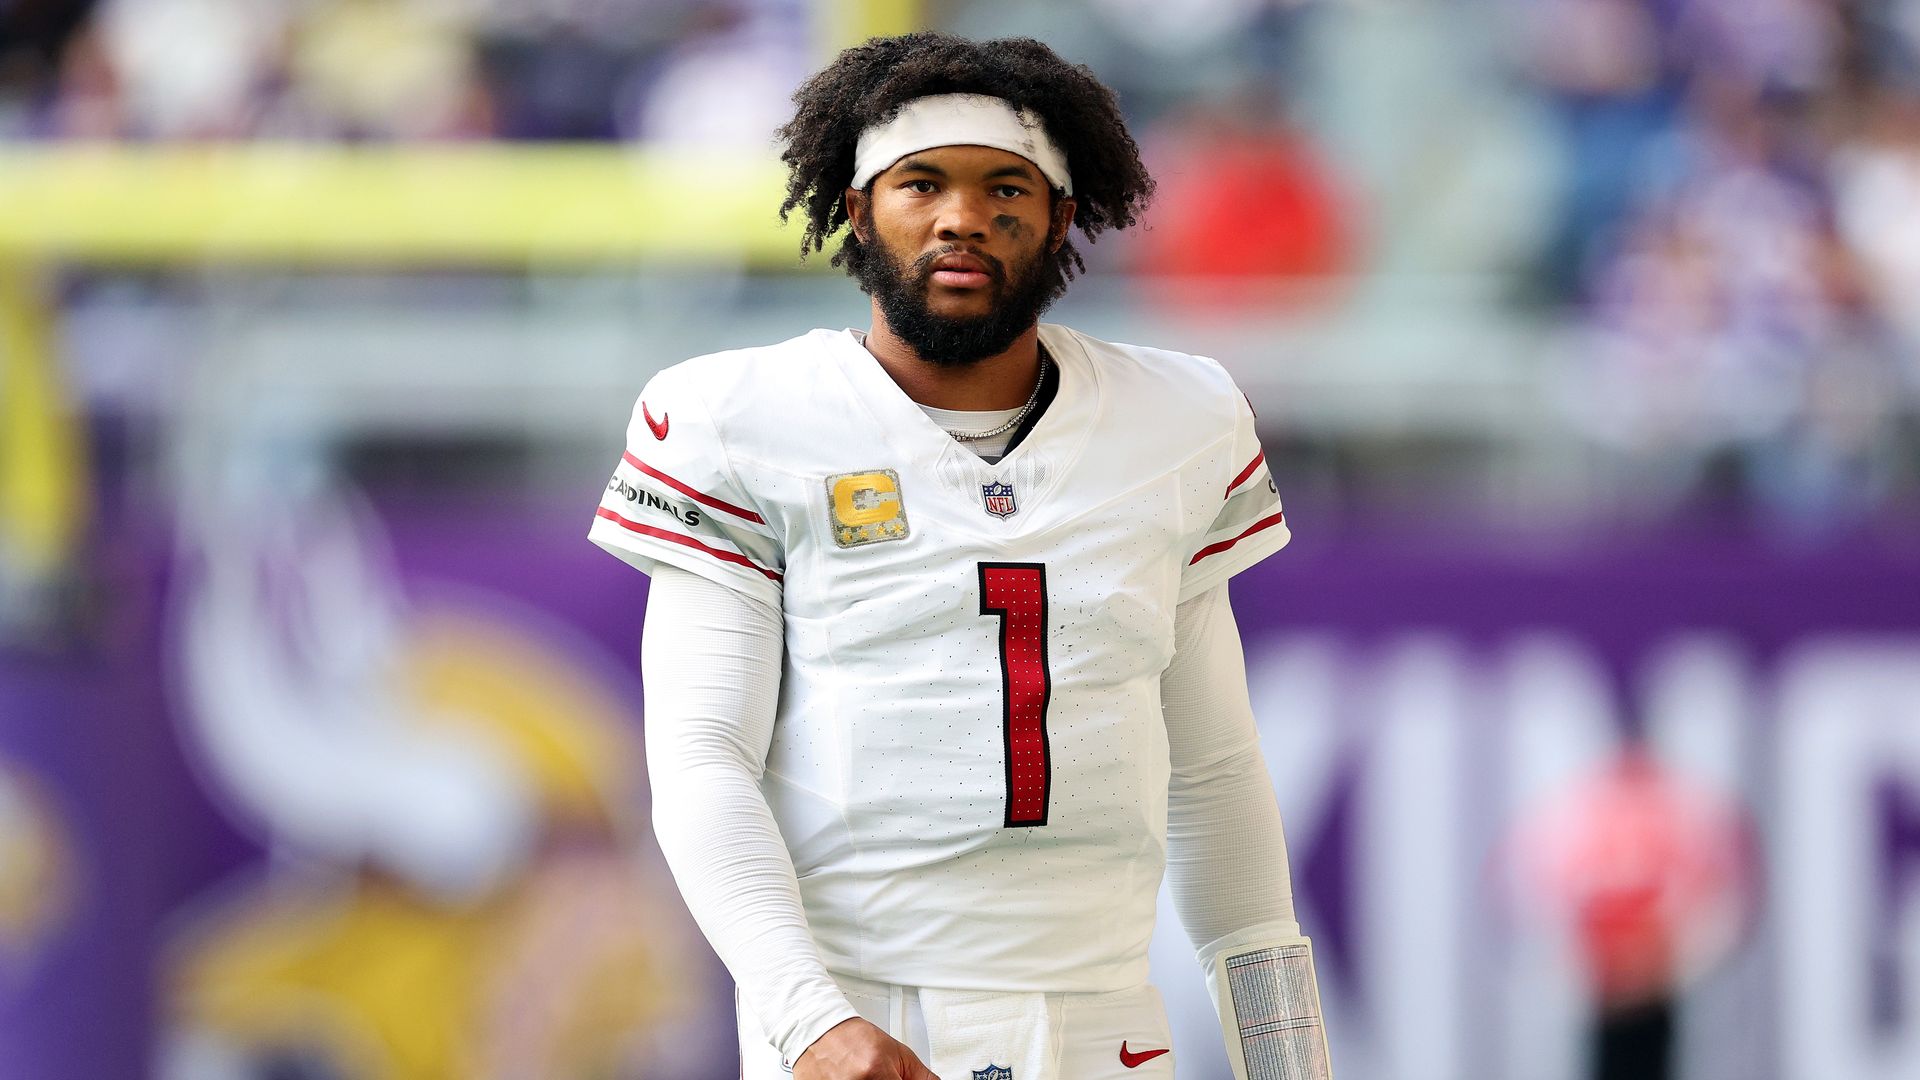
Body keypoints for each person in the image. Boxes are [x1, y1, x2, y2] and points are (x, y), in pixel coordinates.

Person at [588, 31, 1331, 1080]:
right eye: (922, 183)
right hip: (863, 1018)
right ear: (857, 210)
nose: (962, 218)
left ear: (1063, 218)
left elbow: (1215, 774)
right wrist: (809, 1020)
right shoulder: (737, 417)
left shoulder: (1180, 418)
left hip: (1106, 1028)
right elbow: (701, 761)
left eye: (1005, 188)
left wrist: (1290, 1062)